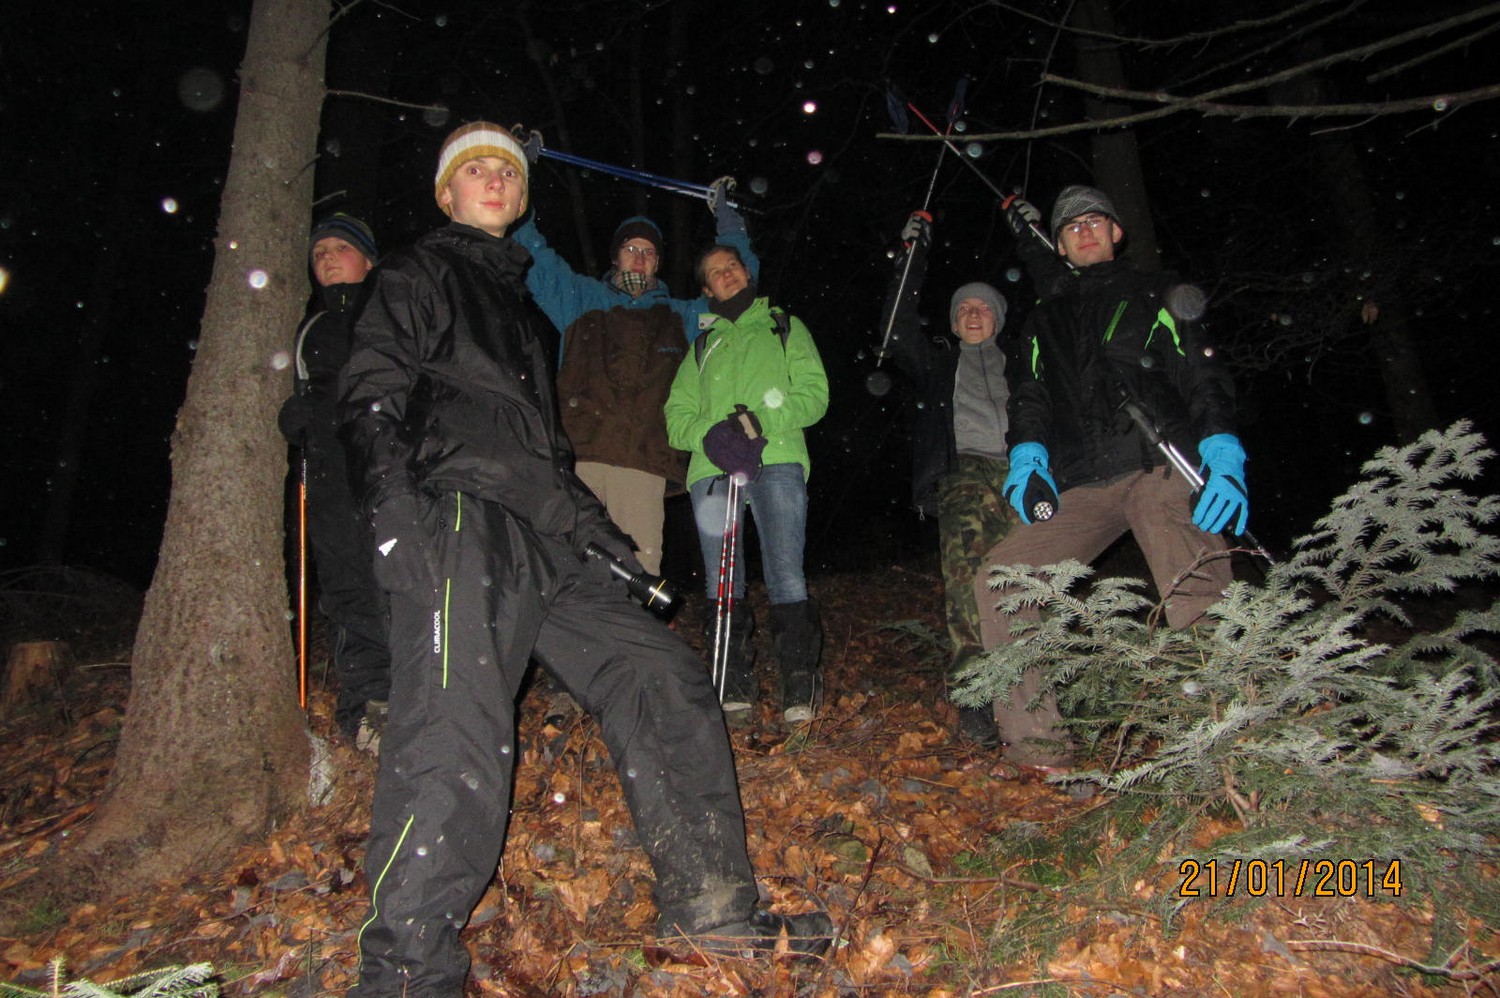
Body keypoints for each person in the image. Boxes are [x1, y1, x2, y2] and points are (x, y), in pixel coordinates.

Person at [338, 121, 830, 997]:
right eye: (475, 169)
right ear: (447, 193)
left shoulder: (519, 314)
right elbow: (371, 397)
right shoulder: (418, 274)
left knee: (662, 676)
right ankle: (406, 971)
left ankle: (714, 909)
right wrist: (393, 520)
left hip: (545, 537)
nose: (494, 179)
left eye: (507, 171)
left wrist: (603, 543)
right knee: (456, 729)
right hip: (456, 518)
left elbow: (543, 454)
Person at [972, 184, 1246, 768]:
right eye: (1071, 226)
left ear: (1116, 232)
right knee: (1001, 578)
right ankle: (1039, 747)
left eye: (1095, 221)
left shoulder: (1156, 291)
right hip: (1083, 483)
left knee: (1191, 579)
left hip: (1158, 464)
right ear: (1060, 244)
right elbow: (1030, 398)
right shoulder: (1044, 319)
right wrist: (1028, 458)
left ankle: (1231, 740)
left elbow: (1201, 374)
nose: (1085, 231)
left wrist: (1222, 449)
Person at [511, 183, 756, 577]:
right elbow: (529, 248)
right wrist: (522, 178)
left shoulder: (682, 317)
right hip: (579, 460)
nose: (640, 259)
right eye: (631, 249)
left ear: (657, 263)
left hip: (643, 465)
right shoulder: (579, 298)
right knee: (565, 571)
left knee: (639, 576)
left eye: (649, 252)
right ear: (616, 257)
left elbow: (736, 287)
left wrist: (729, 222)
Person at [664, 244, 829, 724]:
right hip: (712, 471)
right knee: (722, 578)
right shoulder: (702, 346)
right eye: (715, 272)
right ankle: (732, 683)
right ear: (706, 289)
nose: (727, 274)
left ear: (746, 272)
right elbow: (676, 415)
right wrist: (710, 436)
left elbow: (815, 394)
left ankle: (799, 685)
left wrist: (759, 422)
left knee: (786, 572)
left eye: (732, 265)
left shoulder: (784, 326)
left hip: (777, 459)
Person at [876, 210, 1015, 749]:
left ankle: (1030, 692)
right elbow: (896, 324)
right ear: (954, 324)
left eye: (983, 308)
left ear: (998, 319)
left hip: (1025, 474)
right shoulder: (939, 363)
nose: (973, 314)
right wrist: (912, 254)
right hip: (964, 474)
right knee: (970, 586)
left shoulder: (1023, 361)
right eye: (964, 310)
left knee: (1030, 585)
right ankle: (976, 696)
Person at [276, 212, 390, 751]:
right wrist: (299, 417)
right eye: (319, 252)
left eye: (340, 248)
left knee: (402, 584)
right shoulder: (310, 329)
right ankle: (370, 703)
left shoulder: (391, 312)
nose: (326, 258)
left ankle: (421, 697)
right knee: (348, 590)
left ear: (368, 260)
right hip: (329, 480)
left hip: (389, 469)